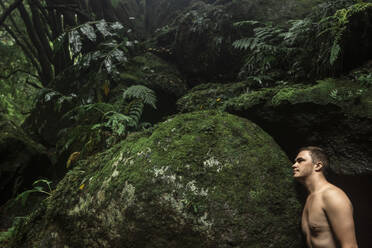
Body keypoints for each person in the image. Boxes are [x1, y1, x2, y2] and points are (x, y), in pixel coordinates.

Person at [292, 146, 358, 248]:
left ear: (317, 166)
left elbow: (350, 246)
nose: (294, 165)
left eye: (300, 161)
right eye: (295, 161)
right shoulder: (310, 197)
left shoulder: (332, 195)